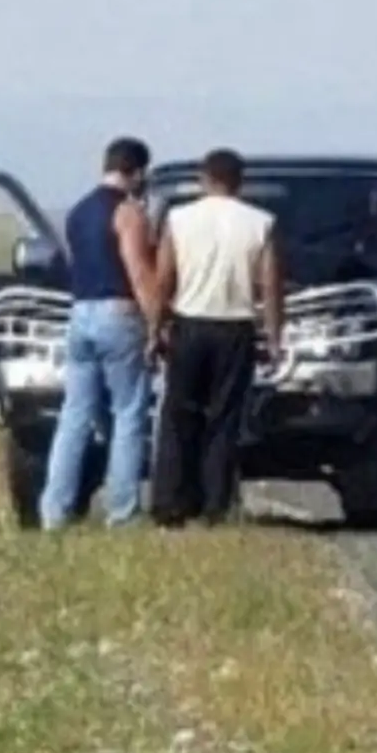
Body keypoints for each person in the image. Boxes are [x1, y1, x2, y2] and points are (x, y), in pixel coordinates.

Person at [149, 148, 283, 527]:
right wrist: (273, 337)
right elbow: (270, 285)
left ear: (203, 180)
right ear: (240, 182)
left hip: (189, 323)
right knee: (223, 419)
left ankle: (170, 502)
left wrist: (154, 328)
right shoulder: (260, 223)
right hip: (235, 325)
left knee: (179, 414)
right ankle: (215, 504)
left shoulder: (179, 219)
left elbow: (163, 279)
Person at [39, 136, 158, 529]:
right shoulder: (128, 213)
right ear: (137, 172)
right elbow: (138, 270)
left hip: (79, 312)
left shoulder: (77, 211)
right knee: (128, 413)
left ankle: (54, 509)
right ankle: (122, 511)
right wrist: (157, 322)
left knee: (75, 414)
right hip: (118, 312)